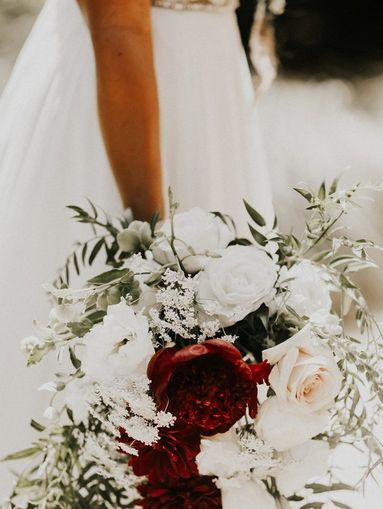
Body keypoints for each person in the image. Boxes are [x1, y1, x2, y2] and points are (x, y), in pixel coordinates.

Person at [0, 0, 274, 466]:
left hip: (203, 102)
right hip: (134, 118)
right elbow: (117, 27)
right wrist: (160, 255)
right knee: (119, 381)